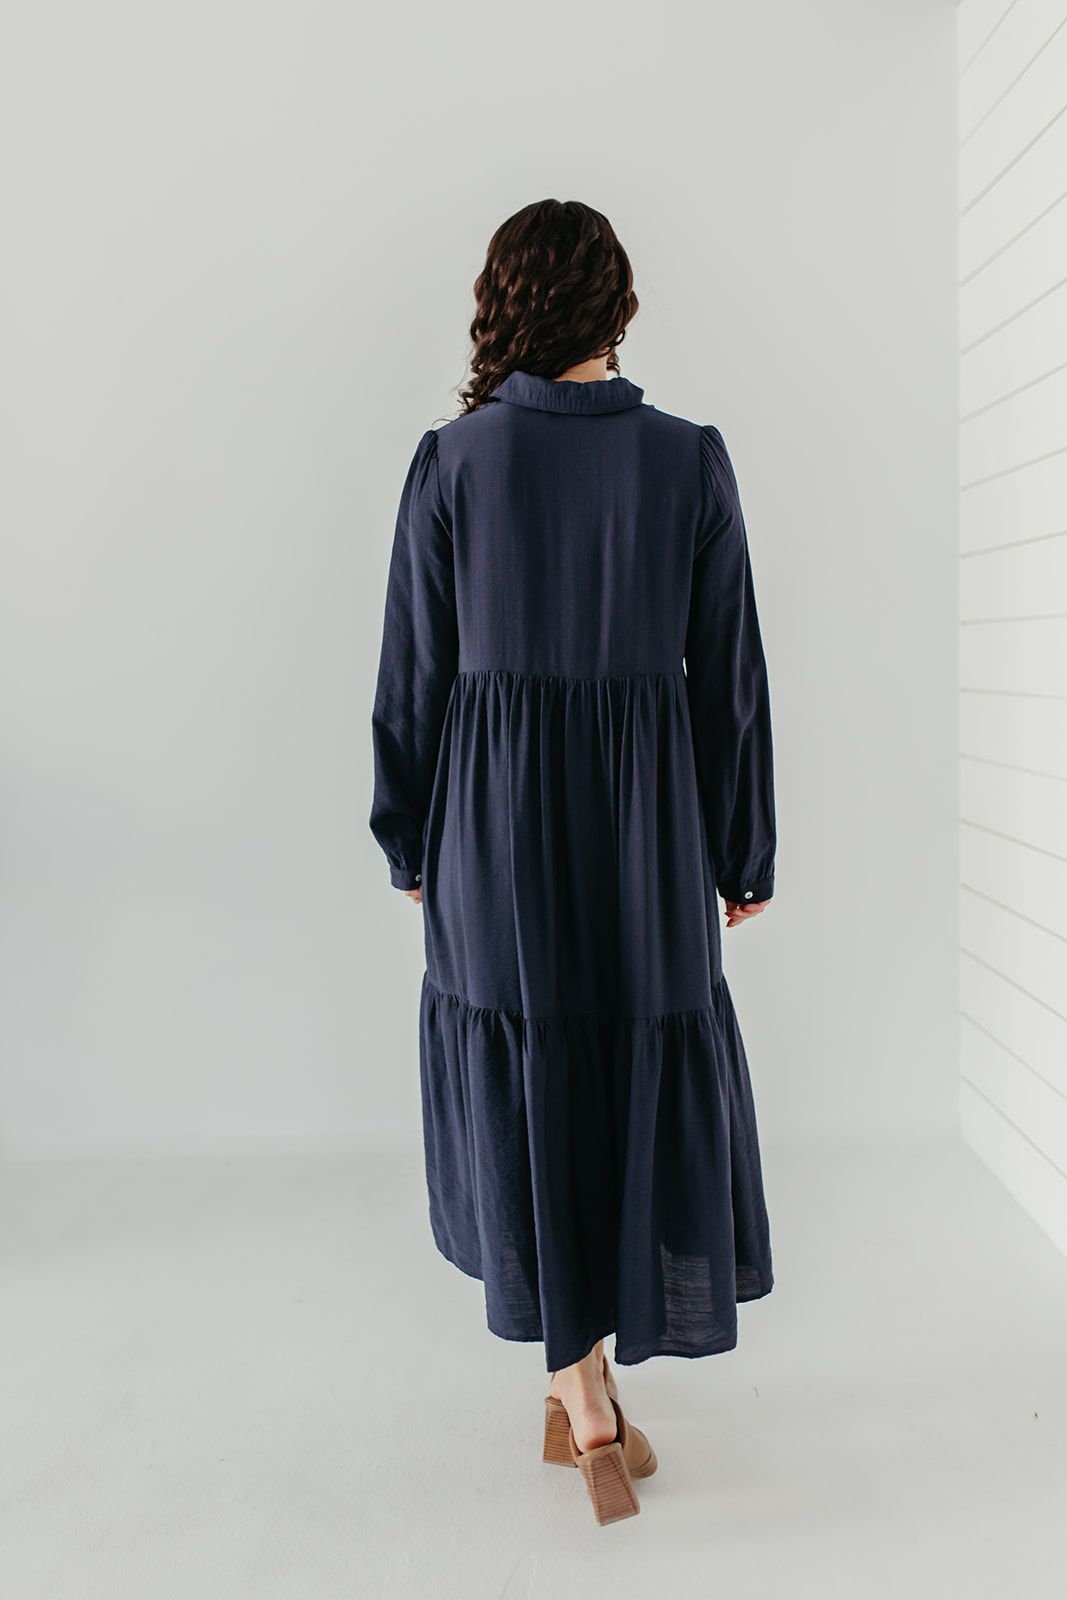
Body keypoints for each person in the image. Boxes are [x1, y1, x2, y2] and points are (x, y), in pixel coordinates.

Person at [370, 198, 776, 1526]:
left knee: (533, 1069)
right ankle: (590, 1396)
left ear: (505, 306)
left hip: (490, 823)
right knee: (624, 1063)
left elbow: (414, 674)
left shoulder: (452, 462)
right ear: (618, 306)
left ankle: (579, 1396)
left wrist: (407, 830)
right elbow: (729, 679)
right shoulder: (688, 460)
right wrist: (743, 845)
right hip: (646, 823)